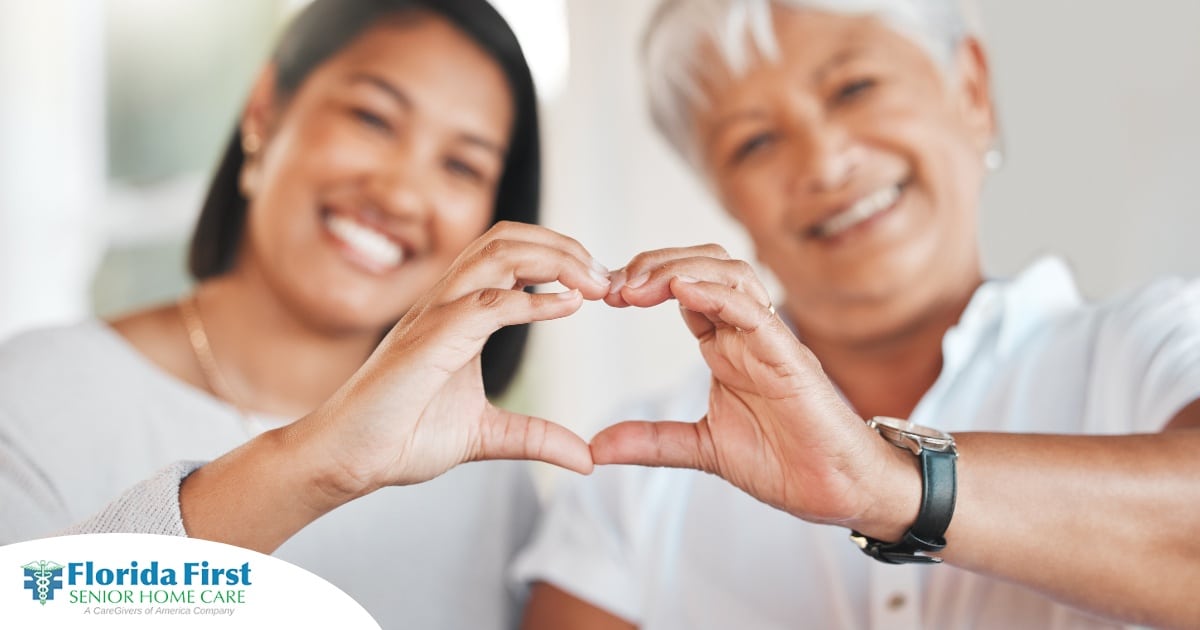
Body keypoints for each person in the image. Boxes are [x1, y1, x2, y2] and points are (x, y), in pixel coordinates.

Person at [514, 1, 1200, 628]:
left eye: (854, 88)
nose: (824, 161)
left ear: (970, 89)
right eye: (754, 142)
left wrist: (891, 485)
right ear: (724, 196)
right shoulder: (638, 477)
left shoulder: (1152, 347)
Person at [0, 1, 609, 627]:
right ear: (266, 110)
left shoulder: (485, 479)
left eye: (461, 165)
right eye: (373, 118)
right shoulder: (37, 394)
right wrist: (312, 467)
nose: (399, 194)